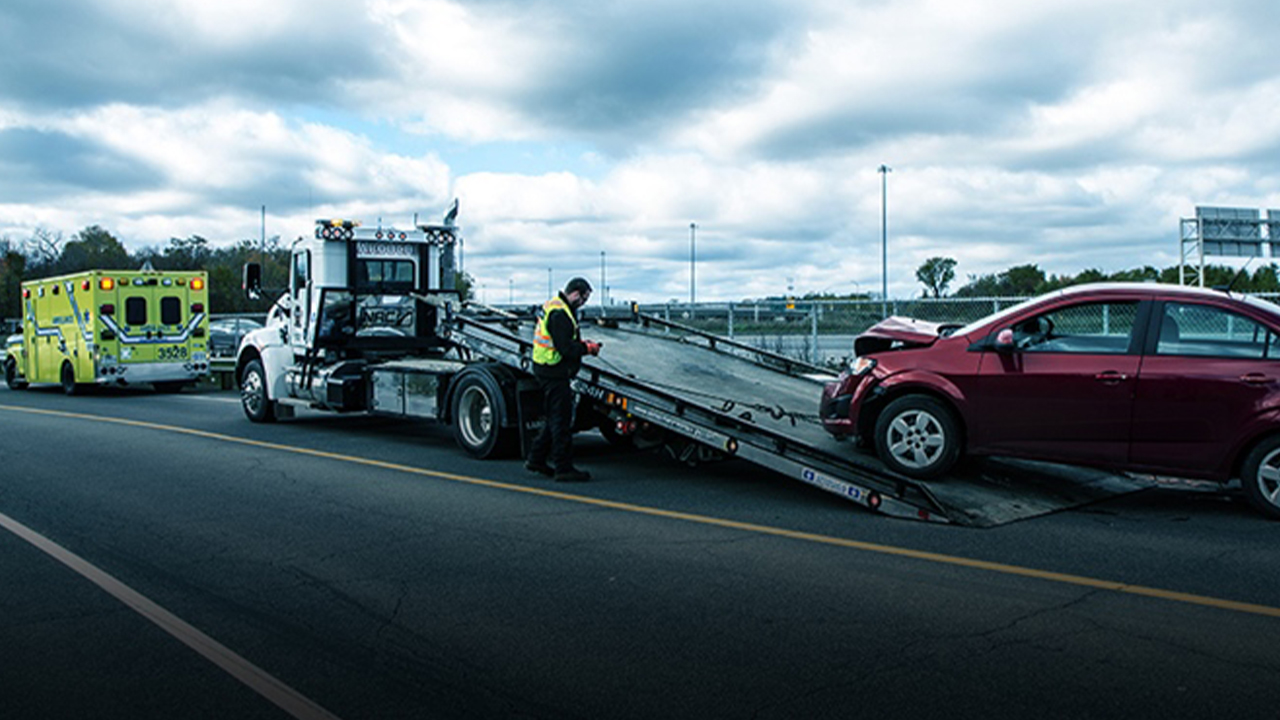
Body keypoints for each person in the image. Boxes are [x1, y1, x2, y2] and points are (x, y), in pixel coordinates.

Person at [525, 277, 602, 482]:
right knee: (561, 421)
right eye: (583, 299)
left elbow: (563, 340)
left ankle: (536, 458)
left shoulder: (556, 306)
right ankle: (563, 468)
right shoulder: (560, 314)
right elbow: (565, 348)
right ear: (575, 293)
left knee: (553, 418)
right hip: (553, 371)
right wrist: (587, 349)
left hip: (547, 369)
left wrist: (581, 343)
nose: (583, 303)